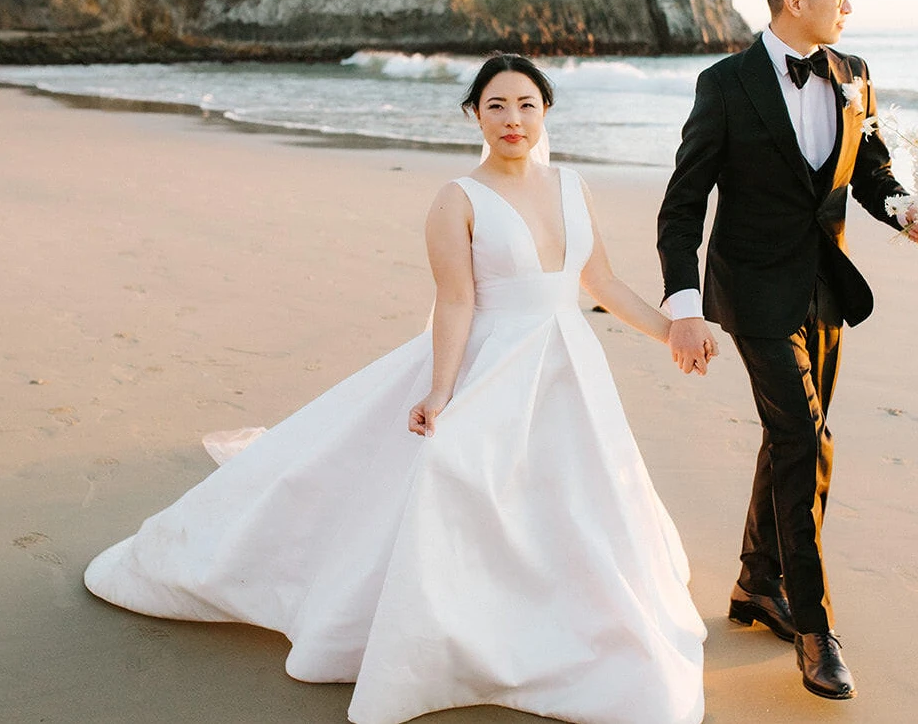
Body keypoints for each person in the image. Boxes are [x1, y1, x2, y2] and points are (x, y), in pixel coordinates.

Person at [85, 54, 707, 724]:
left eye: (526, 103)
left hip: (569, 371)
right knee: (452, 478)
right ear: (475, 114)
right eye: (495, 104)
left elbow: (602, 283)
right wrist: (441, 391)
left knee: (579, 493)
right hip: (489, 364)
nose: (512, 118)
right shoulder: (458, 199)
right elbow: (457, 303)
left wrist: (670, 330)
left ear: (546, 110)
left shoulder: (574, 185)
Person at [656, 0, 918, 700]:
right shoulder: (726, 84)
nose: (849, 5)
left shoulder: (855, 75)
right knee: (805, 439)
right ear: (794, 0)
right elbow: (683, 206)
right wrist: (683, 307)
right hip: (753, 293)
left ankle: (754, 584)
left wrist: (910, 212)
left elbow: (870, 173)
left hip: (826, 289)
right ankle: (813, 626)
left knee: (796, 438)